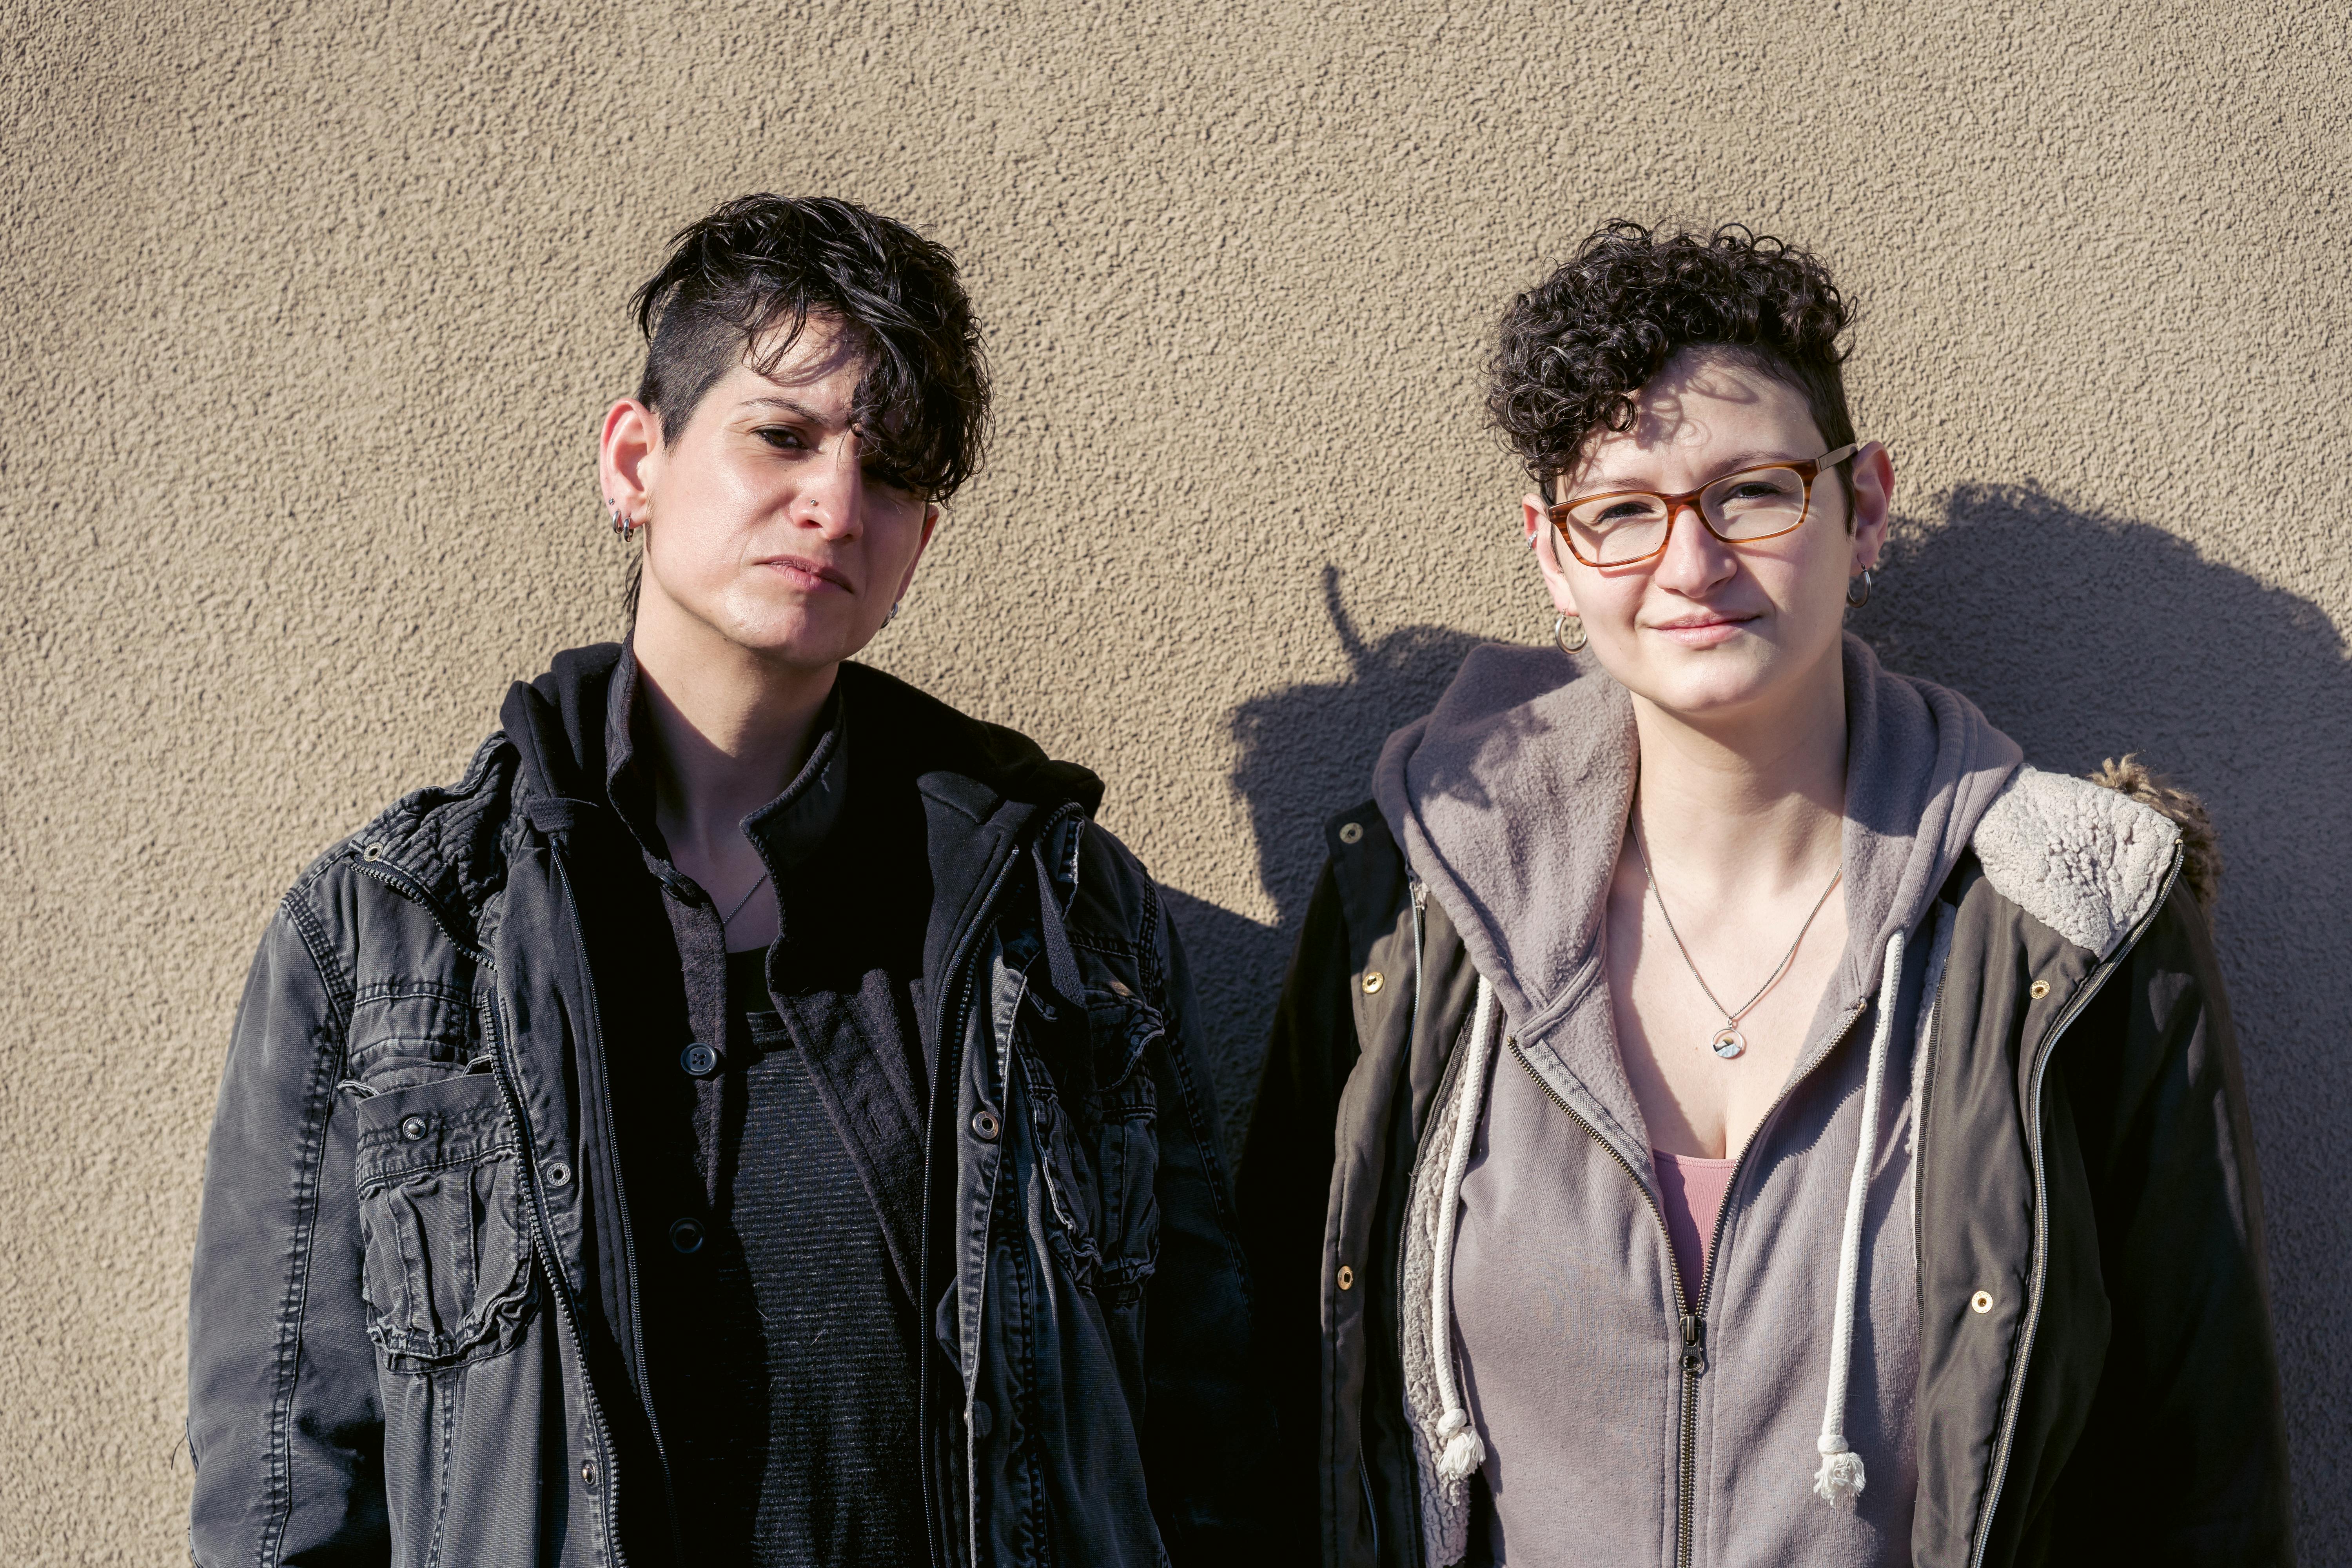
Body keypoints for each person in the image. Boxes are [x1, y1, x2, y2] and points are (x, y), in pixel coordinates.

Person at [187, 194, 1262, 1567]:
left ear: (918, 545)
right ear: (636, 460)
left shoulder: (1060, 919)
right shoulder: (393, 936)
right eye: (782, 435)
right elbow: (287, 1484)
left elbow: (1207, 1438)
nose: (833, 504)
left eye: (890, 475)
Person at [1238, 223, 2293, 1567]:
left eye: (1752, 493)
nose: (1690, 565)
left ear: (1864, 506)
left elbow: (2201, 1477)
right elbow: (1273, 1397)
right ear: (1552, 554)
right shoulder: (1414, 904)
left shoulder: (2071, 917)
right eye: (1621, 511)